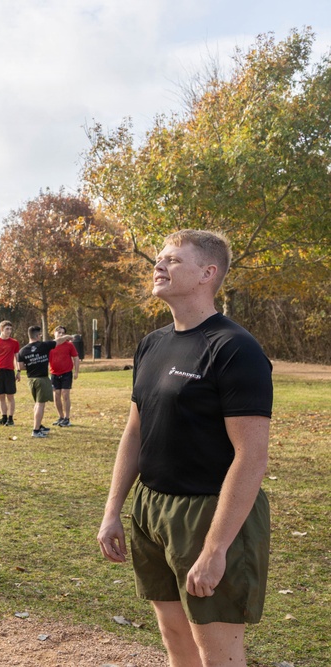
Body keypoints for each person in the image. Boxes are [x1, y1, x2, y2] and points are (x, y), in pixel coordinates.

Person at [97, 230, 272, 667]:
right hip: (152, 507)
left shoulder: (235, 348)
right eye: (159, 258)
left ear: (207, 273)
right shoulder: (152, 343)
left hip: (209, 512)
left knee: (217, 652)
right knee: (175, 637)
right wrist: (113, 510)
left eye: (173, 259)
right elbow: (135, 431)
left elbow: (251, 457)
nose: (158, 265)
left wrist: (215, 548)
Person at [15, 326, 72, 438]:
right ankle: (36, 430)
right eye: (40, 335)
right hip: (42, 379)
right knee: (40, 404)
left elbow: (20, 366)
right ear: (37, 336)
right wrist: (68, 337)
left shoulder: (22, 351)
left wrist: (32, 365)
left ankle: (39, 425)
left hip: (31, 380)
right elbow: (58, 341)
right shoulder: (44, 345)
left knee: (37, 403)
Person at [0, 321, 20, 426]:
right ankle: (4, 417)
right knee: (0, 396)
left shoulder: (14, 342)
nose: (9, 331)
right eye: (7, 329)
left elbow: (17, 358)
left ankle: (10, 419)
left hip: (9, 372)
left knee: (10, 396)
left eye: (10, 329)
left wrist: (18, 371)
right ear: (1, 329)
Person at [48, 325, 79, 426]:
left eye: (63, 333)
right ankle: (60, 417)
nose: (61, 334)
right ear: (54, 333)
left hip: (66, 373)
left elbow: (76, 358)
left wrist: (76, 371)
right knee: (56, 395)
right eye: (59, 332)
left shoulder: (69, 345)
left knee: (65, 394)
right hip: (54, 374)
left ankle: (67, 418)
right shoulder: (50, 345)